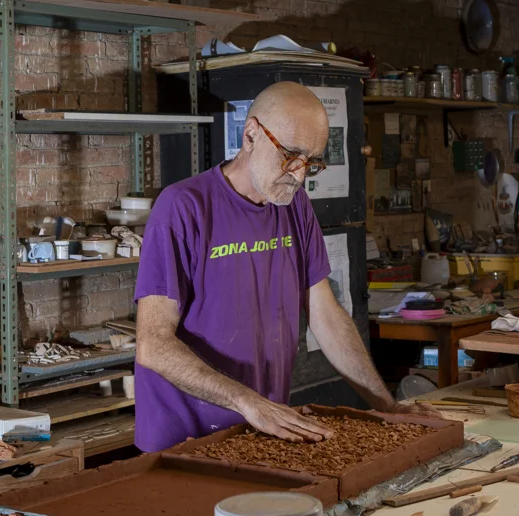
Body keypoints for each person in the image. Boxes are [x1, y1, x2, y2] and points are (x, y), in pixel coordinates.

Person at [134, 82, 436, 452]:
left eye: (312, 160)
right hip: (183, 440)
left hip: (260, 431)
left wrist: (388, 405)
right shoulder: (184, 206)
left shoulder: (295, 207)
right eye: (290, 155)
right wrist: (248, 402)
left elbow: (325, 316)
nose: (300, 174)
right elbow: (153, 345)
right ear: (250, 135)